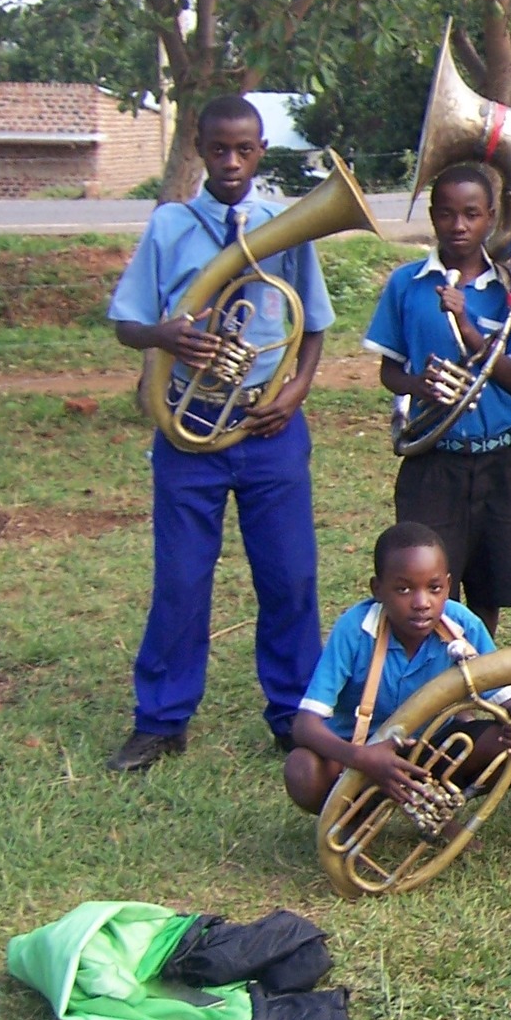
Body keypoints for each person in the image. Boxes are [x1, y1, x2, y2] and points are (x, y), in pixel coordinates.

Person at [105, 96, 334, 772]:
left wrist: (294, 390)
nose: (232, 162)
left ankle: (296, 714)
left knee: (290, 575)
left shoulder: (286, 226)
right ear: (201, 150)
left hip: (270, 427)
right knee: (180, 577)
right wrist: (161, 335)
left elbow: (312, 325)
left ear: (261, 151)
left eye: (245, 150)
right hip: (191, 428)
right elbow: (126, 324)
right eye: (218, 150)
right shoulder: (169, 227)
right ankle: (161, 718)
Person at [363, 163, 511, 638]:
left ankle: (477, 677)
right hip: (435, 458)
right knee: (427, 578)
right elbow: (390, 372)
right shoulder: (407, 285)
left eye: (471, 214)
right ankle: (437, 681)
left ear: (491, 217)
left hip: (501, 457)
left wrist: (469, 328)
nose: (459, 226)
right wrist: (418, 386)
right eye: (446, 214)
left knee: (490, 584)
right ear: (432, 216)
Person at [283, 523, 511, 813]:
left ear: (448, 586)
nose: (422, 603)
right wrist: (362, 758)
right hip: (360, 755)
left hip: (432, 752)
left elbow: (507, 701)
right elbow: (304, 725)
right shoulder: (354, 629)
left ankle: (437, 803)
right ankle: (356, 815)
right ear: (377, 589)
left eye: (434, 588)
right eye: (404, 589)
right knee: (303, 770)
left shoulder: (463, 624)